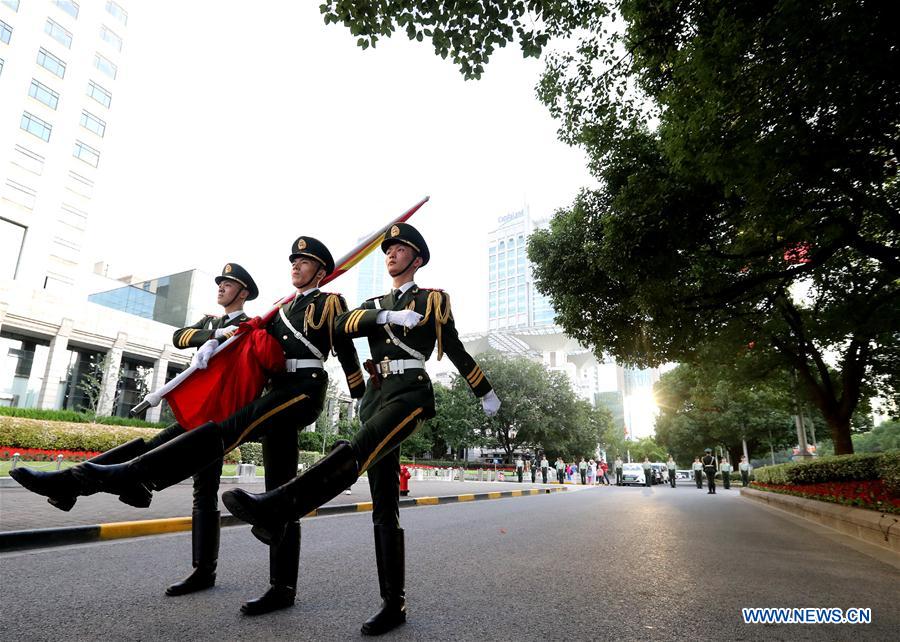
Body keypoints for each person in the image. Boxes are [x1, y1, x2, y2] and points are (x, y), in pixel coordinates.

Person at [221, 222, 500, 636]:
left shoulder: (432, 300)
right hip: (377, 396)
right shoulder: (372, 304)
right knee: (384, 503)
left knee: (358, 446)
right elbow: (341, 327)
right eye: (388, 249)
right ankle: (393, 603)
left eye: (400, 249)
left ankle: (279, 507)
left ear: (417, 259)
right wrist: (385, 318)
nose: (391, 254)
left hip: (410, 392)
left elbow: (455, 348)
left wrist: (485, 392)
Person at [71, 237, 366, 616]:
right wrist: (215, 341)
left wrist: (359, 391)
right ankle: (282, 587)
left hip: (304, 388)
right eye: (293, 260)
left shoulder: (330, 302)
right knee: (281, 494)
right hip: (276, 390)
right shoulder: (278, 309)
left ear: (321, 271)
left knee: (229, 429)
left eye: (304, 261)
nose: (295, 265)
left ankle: (137, 476)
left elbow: (344, 345)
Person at [11, 262, 260, 598]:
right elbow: (180, 337)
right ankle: (73, 486)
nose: (221, 287)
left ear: (243, 293)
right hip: (196, 413)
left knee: (203, 488)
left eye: (228, 284)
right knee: (150, 453)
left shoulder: (249, 327)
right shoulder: (211, 323)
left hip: (219, 418)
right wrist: (214, 335)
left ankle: (74, 486)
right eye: (220, 282)